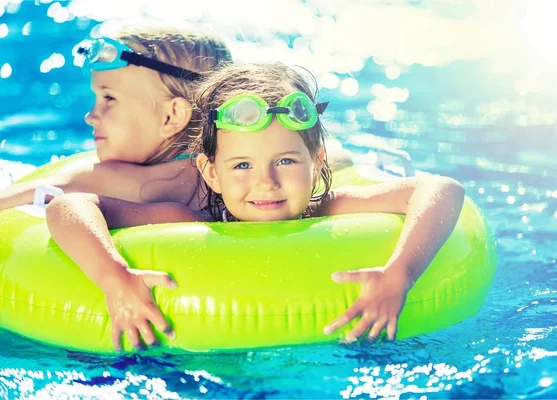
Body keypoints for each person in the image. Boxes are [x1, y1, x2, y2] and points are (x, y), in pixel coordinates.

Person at [46, 62, 465, 351]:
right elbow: (70, 206)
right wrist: (115, 279)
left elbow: (441, 189)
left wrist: (400, 274)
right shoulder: (192, 221)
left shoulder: (328, 208)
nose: (265, 181)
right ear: (211, 174)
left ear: (317, 161)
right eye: (241, 165)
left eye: (285, 161)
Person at [0, 23, 233, 212]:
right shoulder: (241, 174)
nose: (90, 116)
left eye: (109, 98)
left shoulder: (110, 180)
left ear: (171, 116)